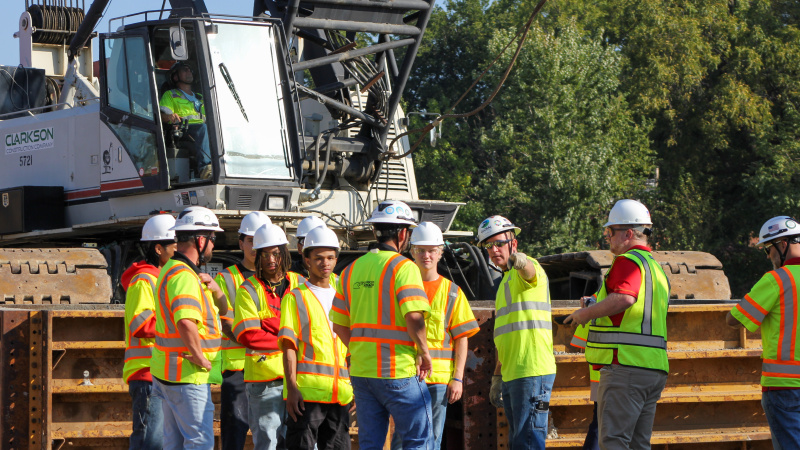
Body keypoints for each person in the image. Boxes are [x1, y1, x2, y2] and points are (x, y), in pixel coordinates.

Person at [564, 199, 669, 450]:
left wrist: (585, 315)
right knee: (637, 444)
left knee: (613, 441)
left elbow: (624, 298)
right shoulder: (655, 269)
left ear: (629, 233)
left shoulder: (627, 261)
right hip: (652, 367)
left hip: (625, 367)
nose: (607, 238)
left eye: (610, 232)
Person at [330, 200, 434, 450]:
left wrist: (358, 349)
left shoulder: (350, 270)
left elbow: (339, 325)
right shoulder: (403, 267)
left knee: (370, 443)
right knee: (419, 440)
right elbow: (414, 317)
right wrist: (424, 352)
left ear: (376, 231)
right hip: (398, 371)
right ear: (402, 233)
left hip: (363, 375)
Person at [390, 222, 479, 450]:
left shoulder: (452, 292)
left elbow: (461, 338)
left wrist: (457, 378)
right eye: (421, 250)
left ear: (440, 253)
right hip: (406, 375)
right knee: (402, 439)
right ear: (412, 252)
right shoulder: (399, 287)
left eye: (431, 250)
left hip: (438, 380)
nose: (426, 256)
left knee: (432, 439)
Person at [150, 206, 228, 449]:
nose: (214, 245)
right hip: (187, 375)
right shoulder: (184, 275)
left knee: (173, 443)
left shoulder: (170, 269)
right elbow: (185, 322)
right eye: (213, 239)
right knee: (199, 442)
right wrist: (201, 358)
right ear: (201, 240)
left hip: (169, 373)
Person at [479, 215, 555, 450]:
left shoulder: (526, 270)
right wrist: (498, 374)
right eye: (488, 245)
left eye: (499, 243)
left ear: (514, 243)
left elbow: (529, 272)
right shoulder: (504, 283)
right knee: (519, 442)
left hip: (531, 372)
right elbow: (506, 335)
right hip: (514, 373)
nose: (493, 250)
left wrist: (521, 262)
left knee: (528, 442)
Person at [727, 216, 800, 449]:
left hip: (784, 387)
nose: (769, 256)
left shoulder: (777, 280)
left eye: (768, 249)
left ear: (782, 244)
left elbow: (733, 319)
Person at [279, 226, 353, 450]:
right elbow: (289, 346)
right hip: (306, 395)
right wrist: (291, 388)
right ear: (306, 259)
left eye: (330, 257)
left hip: (341, 393)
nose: (325, 263)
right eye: (319, 258)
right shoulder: (295, 297)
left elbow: (351, 344)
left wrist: (356, 385)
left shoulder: (344, 294)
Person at [233, 223, 296, 450]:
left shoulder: (300, 284)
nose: (271, 259)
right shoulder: (248, 289)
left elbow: (311, 326)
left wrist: (270, 325)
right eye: (265, 254)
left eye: (276, 253)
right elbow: (248, 335)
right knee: (267, 443)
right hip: (264, 381)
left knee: (301, 442)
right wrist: (291, 337)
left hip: (299, 379)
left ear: (285, 254)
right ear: (257, 256)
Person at [215, 211, 271, 450]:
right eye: (250, 240)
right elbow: (226, 322)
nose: (256, 247)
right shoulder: (226, 278)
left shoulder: (280, 280)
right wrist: (261, 338)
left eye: (260, 241)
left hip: (270, 367)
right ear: (241, 243)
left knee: (270, 433)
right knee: (234, 432)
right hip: (237, 368)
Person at [122, 214, 176, 450]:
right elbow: (141, 325)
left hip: (159, 373)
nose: (178, 249)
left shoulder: (160, 279)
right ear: (158, 248)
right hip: (147, 374)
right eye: (174, 244)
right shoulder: (144, 281)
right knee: (148, 442)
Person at [160, 61, 212, 179]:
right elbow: (161, 117)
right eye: (184, 70)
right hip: (185, 131)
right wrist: (170, 117)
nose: (189, 71)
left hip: (204, 131)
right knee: (203, 129)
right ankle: (206, 169)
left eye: (190, 69)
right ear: (175, 76)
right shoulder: (170, 95)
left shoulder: (201, 97)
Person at [570, 321, 600, 450]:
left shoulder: (597, 301)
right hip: (616, 373)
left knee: (600, 424)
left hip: (602, 372)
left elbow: (580, 341)